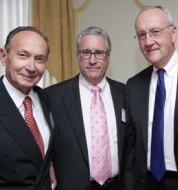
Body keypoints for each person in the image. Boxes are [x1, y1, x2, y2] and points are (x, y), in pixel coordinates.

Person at [124, 6, 178, 190]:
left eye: (155, 32)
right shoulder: (134, 85)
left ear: (173, 33)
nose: (148, 41)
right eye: (141, 35)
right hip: (144, 183)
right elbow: (131, 149)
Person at [45, 26, 126, 190]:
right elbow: (41, 141)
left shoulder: (126, 94)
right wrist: (49, 165)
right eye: (86, 52)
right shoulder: (52, 97)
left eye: (99, 53)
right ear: (77, 56)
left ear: (108, 57)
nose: (92, 60)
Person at [0, 26, 54, 189]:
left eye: (39, 59)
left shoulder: (49, 99)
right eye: (23, 55)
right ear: (4, 56)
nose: (31, 67)